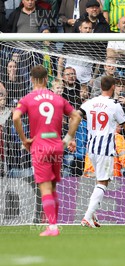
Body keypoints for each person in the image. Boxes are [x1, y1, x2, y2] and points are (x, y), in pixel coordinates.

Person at [12, 65, 82, 236]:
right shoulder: (57, 98)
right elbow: (77, 116)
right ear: (46, 79)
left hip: (40, 146)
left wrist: (24, 139)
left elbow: (15, 117)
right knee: (52, 188)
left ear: (31, 79)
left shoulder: (28, 98)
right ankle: (53, 224)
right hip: (57, 146)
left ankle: (52, 227)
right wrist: (67, 138)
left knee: (44, 188)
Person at [79, 76, 125, 228]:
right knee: (103, 182)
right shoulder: (114, 105)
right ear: (113, 87)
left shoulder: (90, 102)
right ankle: (87, 217)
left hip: (91, 149)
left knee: (99, 181)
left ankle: (92, 215)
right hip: (105, 148)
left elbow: (76, 114)